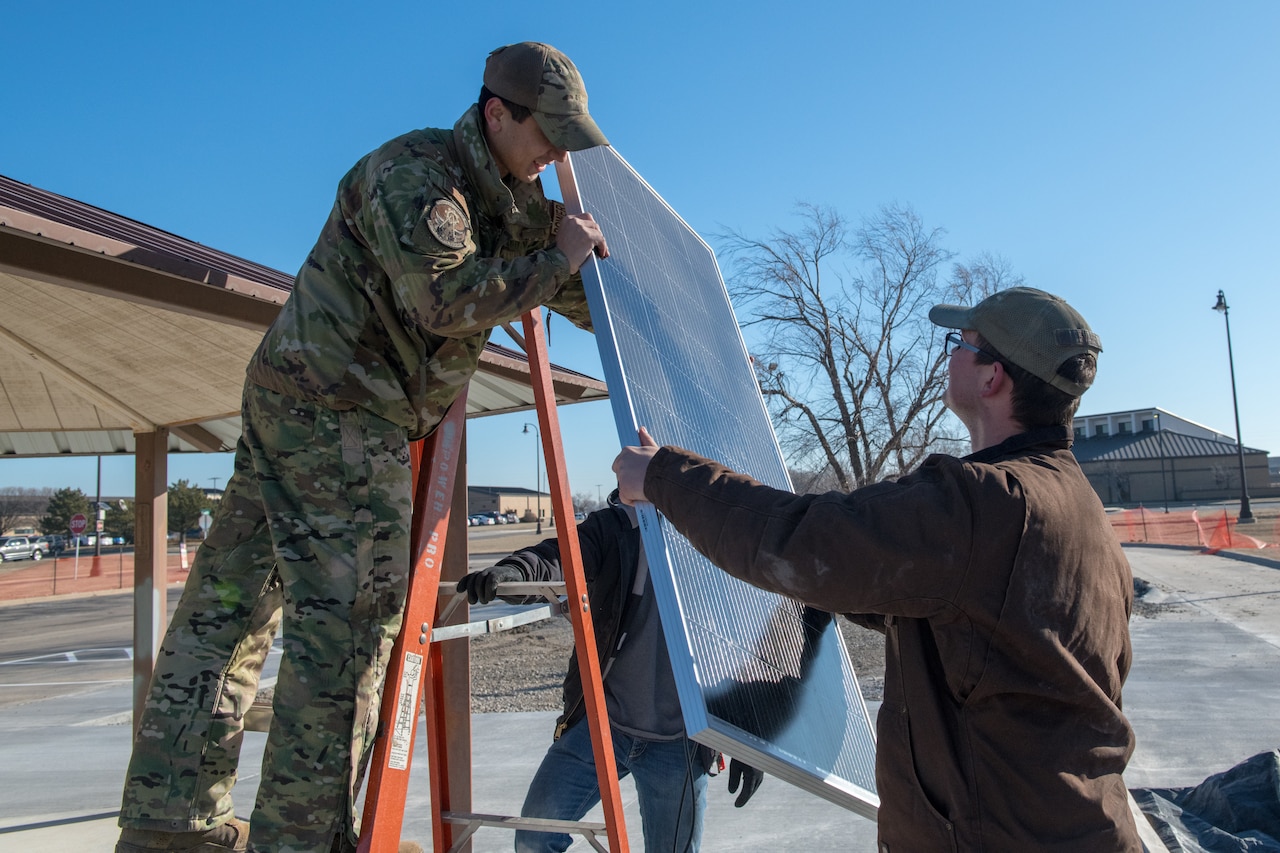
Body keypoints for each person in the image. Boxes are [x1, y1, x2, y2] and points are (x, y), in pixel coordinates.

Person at [115, 42, 610, 853]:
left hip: (304, 402)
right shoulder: (418, 178)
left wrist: (628, 297)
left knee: (230, 611)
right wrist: (557, 258)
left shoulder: (509, 198)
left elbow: (567, 281)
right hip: (336, 412)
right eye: (547, 132)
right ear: (496, 114)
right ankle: (302, 839)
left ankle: (170, 824)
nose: (557, 152)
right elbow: (447, 298)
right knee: (348, 626)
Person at [611, 287, 1143, 851]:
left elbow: (803, 541)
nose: (950, 356)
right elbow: (959, 623)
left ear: (993, 378)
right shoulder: (1082, 513)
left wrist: (664, 477)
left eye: (960, 344)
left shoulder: (983, 503)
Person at [456, 490, 763, 853]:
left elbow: (756, 636)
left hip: (679, 743)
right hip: (604, 726)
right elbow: (559, 557)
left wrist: (749, 733)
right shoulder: (617, 528)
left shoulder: (724, 535)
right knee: (534, 837)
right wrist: (513, 573)